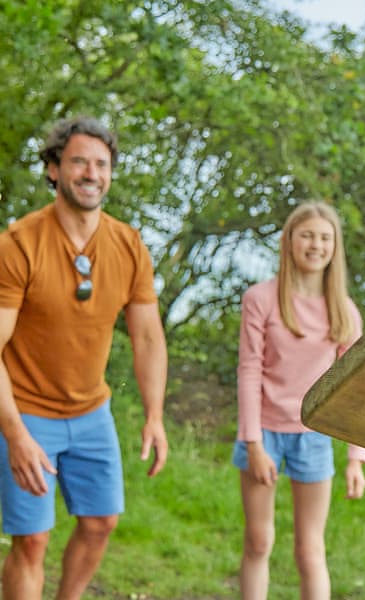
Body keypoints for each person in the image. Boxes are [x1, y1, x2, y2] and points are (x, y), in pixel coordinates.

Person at [0, 116, 169, 599]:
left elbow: (149, 339)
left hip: (92, 412)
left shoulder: (128, 244)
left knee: (100, 524)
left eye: (101, 163)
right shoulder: (18, 245)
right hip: (27, 411)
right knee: (31, 541)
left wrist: (155, 416)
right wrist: (14, 435)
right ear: (54, 169)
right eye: (78, 161)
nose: (91, 173)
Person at [233, 200, 365, 600]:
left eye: (325, 237)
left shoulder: (344, 311)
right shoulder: (260, 299)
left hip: (314, 436)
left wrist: (356, 458)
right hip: (264, 434)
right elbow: (249, 370)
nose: (316, 245)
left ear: (334, 247)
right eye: (307, 235)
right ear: (289, 240)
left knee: (310, 549)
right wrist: (253, 443)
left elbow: (354, 389)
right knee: (259, 541)